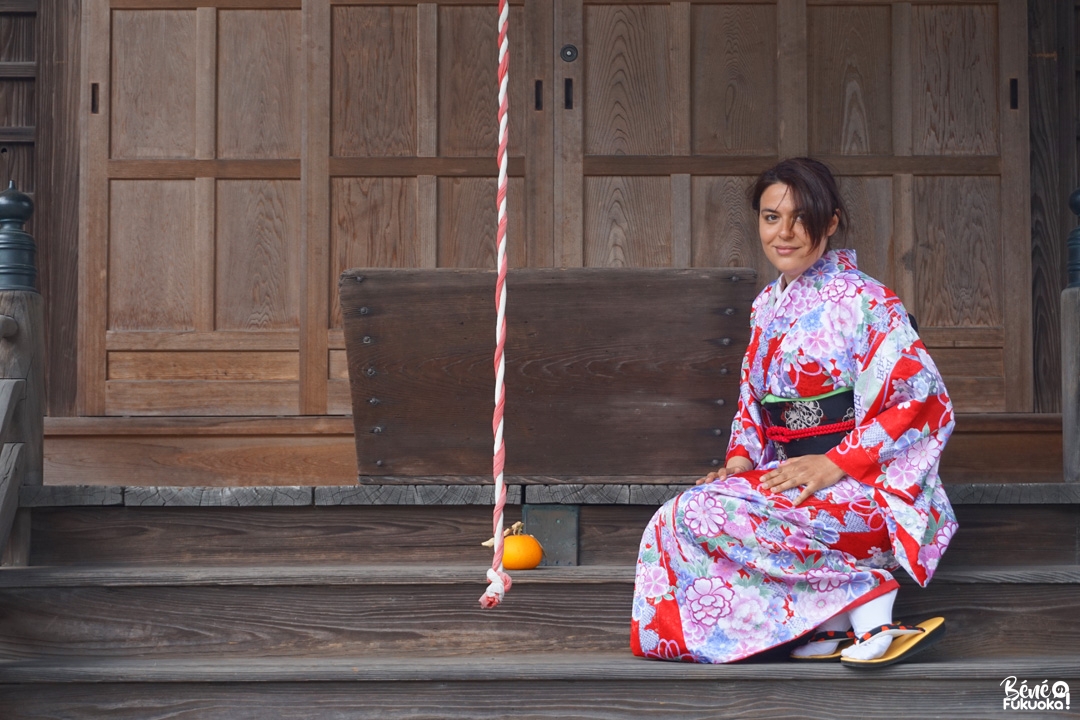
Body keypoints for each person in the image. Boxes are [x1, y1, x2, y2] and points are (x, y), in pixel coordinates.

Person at [630, 157, 956, 668]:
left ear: (831, 222)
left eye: (801, 218)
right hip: (793, 481)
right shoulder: (766, 307)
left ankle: (868, 596)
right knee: (682, 514)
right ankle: (823, 616)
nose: (785, 233)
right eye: (771, 217)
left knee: (697, 513)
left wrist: (835, 464)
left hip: (864, 489)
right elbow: (753, 406)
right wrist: (740, 463)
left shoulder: (868, 301)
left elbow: (921, 399)